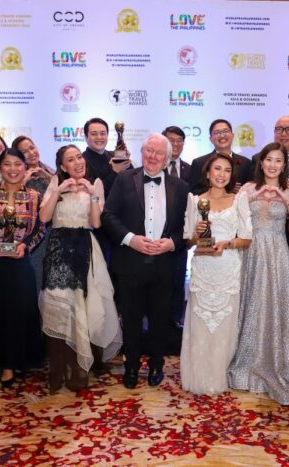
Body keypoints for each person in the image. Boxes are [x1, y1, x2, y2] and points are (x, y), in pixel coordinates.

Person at [101, 134, 189, 389]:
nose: (152, 157)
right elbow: (108, 216)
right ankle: (131, 367)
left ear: (168, 157)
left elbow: (187, 226)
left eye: (159, 153)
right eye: (148, 151)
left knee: (161, 320)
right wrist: (131, 239)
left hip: (164, 265)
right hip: (130, 263)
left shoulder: (180, 187)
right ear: (142, 152)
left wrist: (171, 243)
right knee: (130, 319)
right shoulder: (124, 178)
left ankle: (156, 365)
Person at [228, 142, 289, 405]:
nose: (273, 165)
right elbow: (231, 220)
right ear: (261, 162)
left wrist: (284, 199)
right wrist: (254, 197)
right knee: (250, 304)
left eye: (278, 161)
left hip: (277, 254)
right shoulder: (248, 188)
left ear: (284, 165)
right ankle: (246, 363)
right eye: (269, 159)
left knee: (276, 305)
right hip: (250, 252)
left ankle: (277, 361)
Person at [39, 145, 122, 394]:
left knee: (86, 308)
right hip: (58, 249)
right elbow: (44, 218)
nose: (77, 162)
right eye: (71, 160)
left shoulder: (95, 184)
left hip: (86, 248)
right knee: (58, 307)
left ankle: (80, 369)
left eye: (79, 157)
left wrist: (93, 195)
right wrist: (59, 191)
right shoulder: (55, 182)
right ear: (63, 166)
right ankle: (57, 369)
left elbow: (96, 223)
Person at [0, 148, 45, 388]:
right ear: (0, 167)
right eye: (7, 164)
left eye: (17, 164)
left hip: (21, 263)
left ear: (25, 167)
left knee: (21, 313)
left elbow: (39, 229)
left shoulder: (34, 196)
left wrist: (26, 245)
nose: (13, 169)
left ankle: (19, 359)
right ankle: (4, 364)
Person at [180, 154, 252, 395]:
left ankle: (220, 377)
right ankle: (198, 377)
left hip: (229, 270)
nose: (222, 174)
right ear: (208, 173)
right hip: (203, 271)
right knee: (200, 325)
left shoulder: (239, 200)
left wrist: (226, 244)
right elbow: (188, 242)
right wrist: (196, 233)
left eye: (227, 170)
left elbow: (246, 238)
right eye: (217, 169)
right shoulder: (195, 200)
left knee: (224, 327)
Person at [12, 135, 54, 291]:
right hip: (34, 236)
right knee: (37, 279)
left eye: (32, 147)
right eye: (24, 151)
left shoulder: (49, 170)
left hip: (55, 232)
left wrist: (50, 177)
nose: (31, 153)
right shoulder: (17, 176)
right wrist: (22, 182)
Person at [162, 125, 192, 329]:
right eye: (170, 140)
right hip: (153, 238)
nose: (175, 144)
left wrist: (190, 235)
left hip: (181, 238)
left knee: (177, 281)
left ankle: (174, 324)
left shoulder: (192, 169)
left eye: (179, 140)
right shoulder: (152, 168)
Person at [188, 119, 252, 195]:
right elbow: (194, 192)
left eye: (226, 131)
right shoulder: (199, 163)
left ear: (232, 135)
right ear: (211, 139)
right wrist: (223, 188)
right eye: (217, 133)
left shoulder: (246, 163)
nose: (222, 135)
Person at [82, 118, 132, 198]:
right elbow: (94, 194)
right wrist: (115, 171)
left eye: (103, 133)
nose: (99, 137)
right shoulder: (82, 161)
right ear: (86, 136)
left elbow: (130, 182)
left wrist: (126, 162)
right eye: (94, 134)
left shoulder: (114, 155)